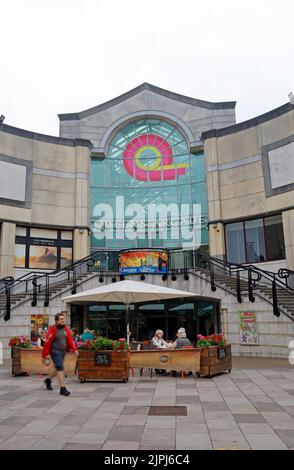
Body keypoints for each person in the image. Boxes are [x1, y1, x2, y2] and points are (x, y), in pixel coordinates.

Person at [42, 313, 79, 396]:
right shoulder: (52, 329)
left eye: (63, 319)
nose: (63, 320)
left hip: (63, 352)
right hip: (55, 351)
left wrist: (75, 349)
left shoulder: (66, 328)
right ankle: (62, 388)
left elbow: (69, 340)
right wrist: (44, 355)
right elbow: (47, 343)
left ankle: (48, 380)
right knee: (60, 368)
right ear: (57, 320)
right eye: (61, 319)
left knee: (57, 368)